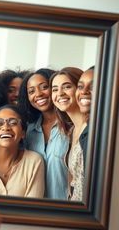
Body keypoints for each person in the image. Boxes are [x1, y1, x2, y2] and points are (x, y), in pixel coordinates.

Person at [18, 68, 68, 200]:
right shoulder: (28, 132)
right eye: (31, 91)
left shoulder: (71, 126)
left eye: (44, 87)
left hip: (69, 208)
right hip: (38, 209)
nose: (38, 94)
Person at [0, 105, 45, 197]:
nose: (6, 127)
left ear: (23, 133)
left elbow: (32, 209)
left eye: (13, 122)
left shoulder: (34, 161)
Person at [51, 67, 86, 201]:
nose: (59, 93)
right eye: (55, 89)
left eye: (67, 87)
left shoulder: (92, 129)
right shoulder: (71, 131)